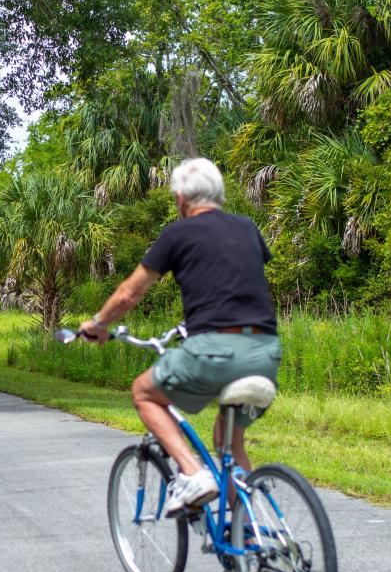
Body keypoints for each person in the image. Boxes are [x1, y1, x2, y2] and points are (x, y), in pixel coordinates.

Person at [78, 157, 281, 514]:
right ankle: (248, 539)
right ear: (218, 194)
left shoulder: (178, 233)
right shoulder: (247, 228)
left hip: (213, 350)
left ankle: (192, 473)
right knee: (228, 441)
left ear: (181, 199)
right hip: (265, 353)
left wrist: (98, 325)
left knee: (143, 392)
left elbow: (129, 293)